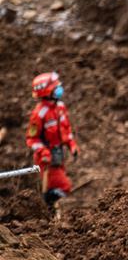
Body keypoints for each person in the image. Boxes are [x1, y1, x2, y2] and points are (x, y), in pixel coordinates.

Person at [26, 72, 80, 212]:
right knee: (63, 186)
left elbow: (66, 129)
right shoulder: (39, 114)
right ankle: (47, 207)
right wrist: (44, 152)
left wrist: (72, 145)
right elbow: (32, 139)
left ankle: (52, 209)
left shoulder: (60, 107)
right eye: (56, 86)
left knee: (58, 187)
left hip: (58, 154)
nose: (59, 88)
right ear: (46, 91)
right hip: (46, 159)